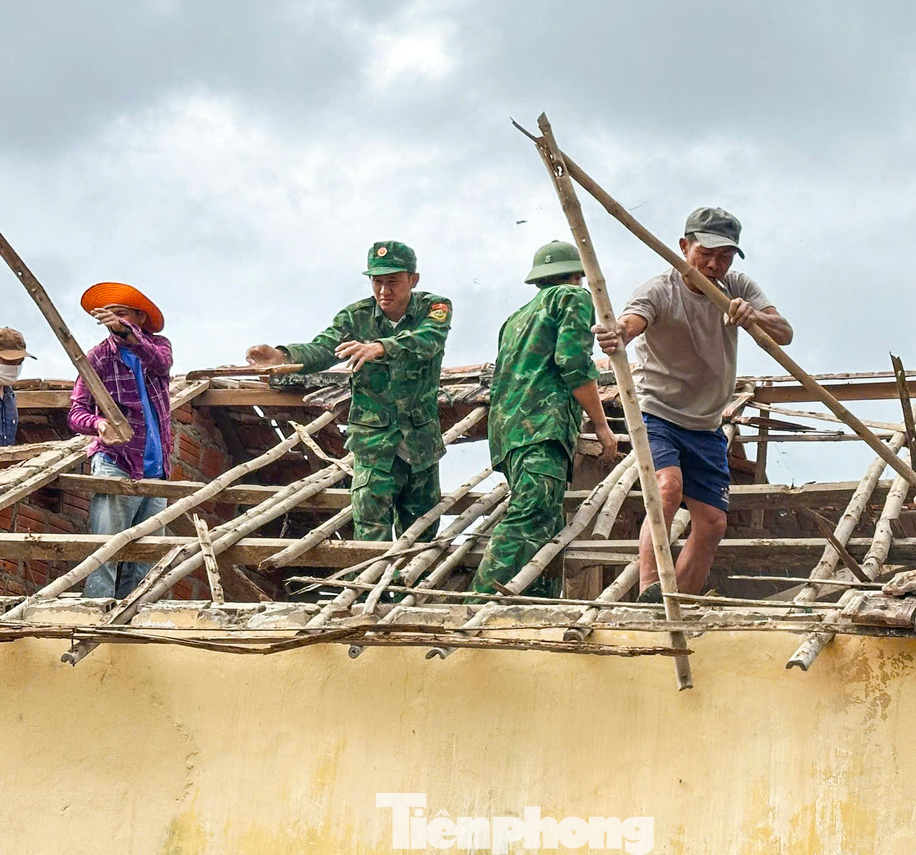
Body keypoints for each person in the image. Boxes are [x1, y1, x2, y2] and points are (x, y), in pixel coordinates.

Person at [595, 207, 793, 601]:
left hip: (706, 423)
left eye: (725, 256)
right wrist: (617, 334)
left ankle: (676, 600)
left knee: (713, 523)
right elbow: (631, 322)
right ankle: (651, 590)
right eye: (706, 253)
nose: (715, 264)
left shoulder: (736, 286)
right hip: (658, 412)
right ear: (685, 247)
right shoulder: (659, 290)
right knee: (667, 489)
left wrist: (754, 316)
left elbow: (784, 333)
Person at [246, 241, 451, 541]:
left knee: (421, 536)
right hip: (373, 445)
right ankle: (372, 590)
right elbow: (324, 347)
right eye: (377, 282)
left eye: (392, 282)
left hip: (421, 444)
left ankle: (413, 590)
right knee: (370, 536)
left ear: (413, 280)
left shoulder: (434, 308)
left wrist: (381, 347)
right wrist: (283, 356)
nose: (384, 291)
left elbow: (428, 340)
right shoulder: (356, 317)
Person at [469, 242, 618, 599]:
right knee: (532, 515)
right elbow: (573, 363)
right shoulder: (572, 297)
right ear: (577, 274)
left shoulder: (516, 317)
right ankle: (473, 604)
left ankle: (538, 604)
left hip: (511, 433)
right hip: (542, 428)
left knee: (547, 523)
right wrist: (600, 424)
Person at [68, 283, 174, 599]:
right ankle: (95, 613)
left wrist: (128, 333)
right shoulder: (98, 358)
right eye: (111, 316)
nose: (116, 321)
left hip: (156, 470)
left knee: (147, 555)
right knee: (107, 548)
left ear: (139, 318)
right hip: (117, 462)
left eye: (123, 314)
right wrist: (98, 423)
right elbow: (76, 412)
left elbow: (160, 363)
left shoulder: (158, 347)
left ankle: (135, 616)